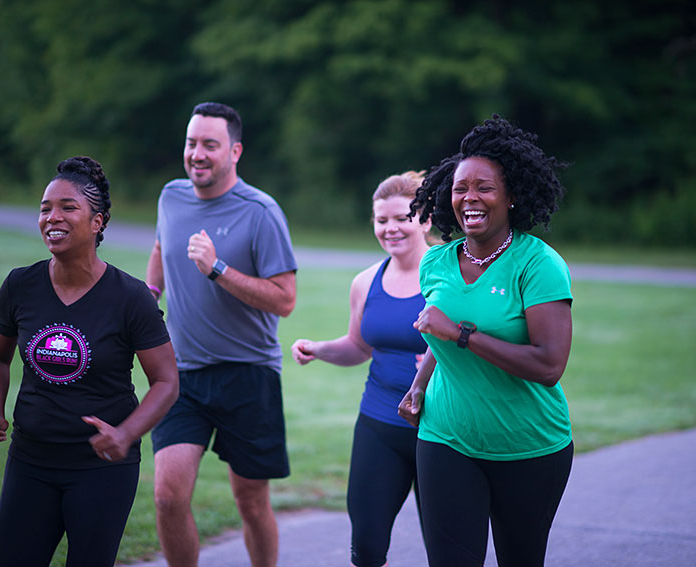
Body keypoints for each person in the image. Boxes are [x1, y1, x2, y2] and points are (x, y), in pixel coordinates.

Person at [0, 156, 180, 567]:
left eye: (68, 207)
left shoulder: (130, 297)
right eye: (45, 207)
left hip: (100, 468)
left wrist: (125, 434)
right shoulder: (20, 285)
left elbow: (166, 381)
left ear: (97, 222)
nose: (53, 216)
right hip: (30, 460)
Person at [398, 114, 574, 567]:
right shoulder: (434, 262)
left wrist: (461, 335)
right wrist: (419, 386)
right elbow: (437, 340)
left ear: (512, 196)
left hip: (528, 447)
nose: (469, 198)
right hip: (446, 439)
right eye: (460, 188)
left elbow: (549, 365)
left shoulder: (538, 265)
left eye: (484, 188)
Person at [146, 101, 297, 567]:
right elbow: (161, 245)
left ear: (234, 151)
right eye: (192, 143)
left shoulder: (260, 211)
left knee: (250, 501)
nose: (198, 154)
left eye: (210, 145)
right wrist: (149, 294)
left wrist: (218, 269)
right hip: (181, 375)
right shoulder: (170, 196)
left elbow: (284, 299)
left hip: (247, 373)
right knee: (169, 497)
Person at [291, 171, 431, 567]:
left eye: (402, 218)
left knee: (450, 552)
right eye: (381, 220)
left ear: (425, 219)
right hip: (379, 426)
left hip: (441, 432)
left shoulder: (448, 276)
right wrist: (318, 349)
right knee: (366, 550)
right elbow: (359, 346)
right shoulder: (365, 281)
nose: (391, 229)